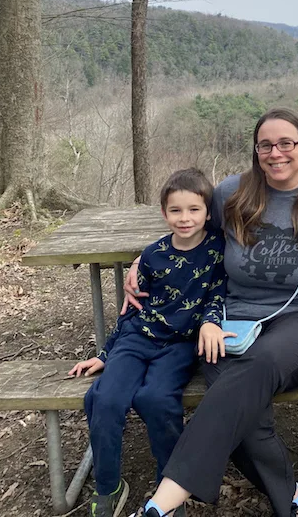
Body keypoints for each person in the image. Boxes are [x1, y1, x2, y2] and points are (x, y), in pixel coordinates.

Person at [122, 108, 298, 517]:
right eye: (265, 145)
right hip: (231, 321)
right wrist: (139, 262)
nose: (275, 153)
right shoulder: (232, 193)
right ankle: (291, 499)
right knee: (240, 405)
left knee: (255, 368)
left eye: (286, 143)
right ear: (256, 151)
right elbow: (190, 234)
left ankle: (159, 505)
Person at [68, 168, 227, 517]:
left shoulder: (217, 248)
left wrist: (212, 323)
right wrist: (105, 354)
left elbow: (218, 293)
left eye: (194, 209)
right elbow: (132, 309)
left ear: (208, 212)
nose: (185, 218)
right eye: (175, 210)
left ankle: (170, 491)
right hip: (136, 339)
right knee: (105, 399)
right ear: (163, 213)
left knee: (155, 399)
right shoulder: (153, 254)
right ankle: (108, 485)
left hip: (181, 345)